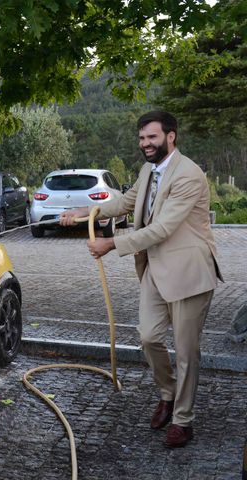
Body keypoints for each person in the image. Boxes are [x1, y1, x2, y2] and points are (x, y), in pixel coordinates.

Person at [59, 111, 222, 448]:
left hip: (190, 273)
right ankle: (167, 394)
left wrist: (111, 244)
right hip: (154, 269)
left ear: (171, 136)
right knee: (148, 338)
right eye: (142, 138)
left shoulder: (189, 175)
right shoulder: (149, 169)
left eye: (152, 137)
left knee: (187, 352)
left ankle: (183, 419)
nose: (145, 144)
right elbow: (127, 202)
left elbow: (161, 228)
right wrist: (83, 213)